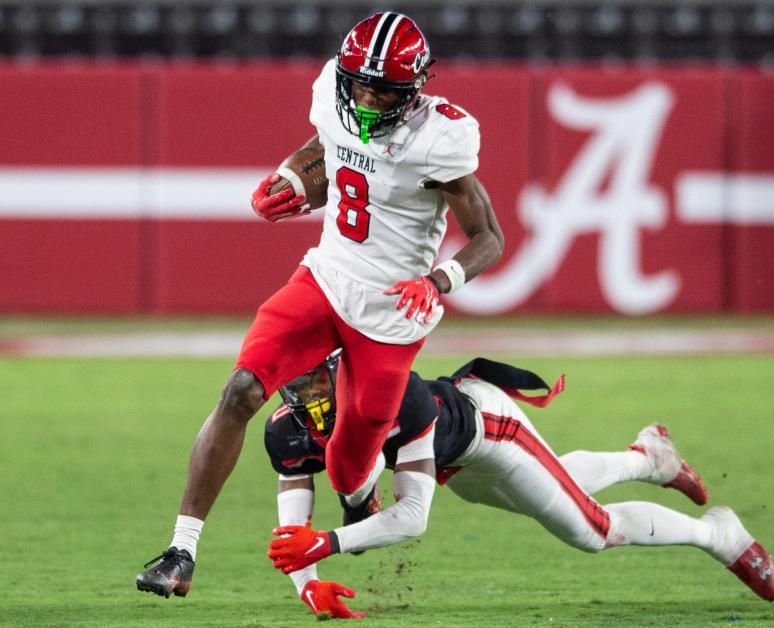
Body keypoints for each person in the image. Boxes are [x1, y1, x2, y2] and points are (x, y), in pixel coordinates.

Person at [136, 11, 503, 598]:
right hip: (327, 276)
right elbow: (327, 149)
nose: (364, 96)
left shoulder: (443, 137)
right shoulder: (334, 91)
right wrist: (291, 178)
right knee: (240, 390)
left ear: (414, 90)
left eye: (382, 89)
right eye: (357, 83)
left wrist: (439, 281)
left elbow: (490, 237)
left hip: (390, 311)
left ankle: (358, 497)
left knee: (348, 465)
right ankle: (181, 549)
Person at [263, 353, 774, 618]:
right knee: (557, 488)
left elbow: (413, 515)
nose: (313, 399)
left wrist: (330, 542)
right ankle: (649, 458)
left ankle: (719, 533)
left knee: (591, 529)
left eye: (321, 383)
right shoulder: (287, 431)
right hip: (455, 467)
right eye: (302, 388)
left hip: (490, 432)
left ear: (343, 371)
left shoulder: (396, 395)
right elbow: (292, 533)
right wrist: (306, 585)